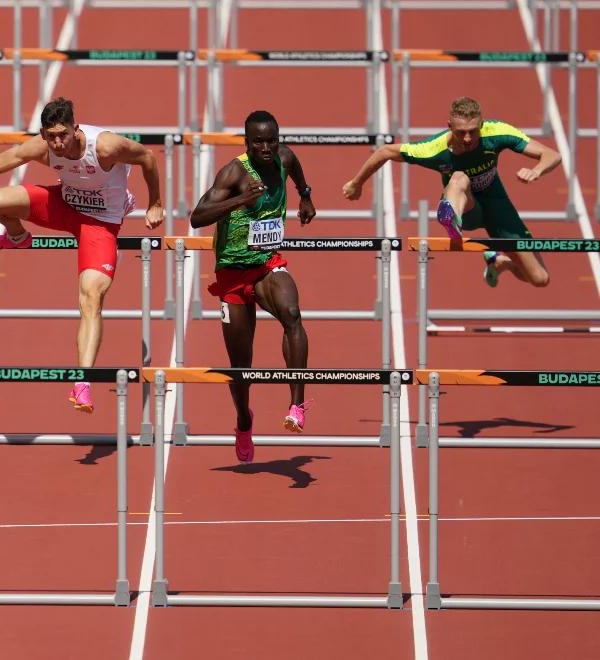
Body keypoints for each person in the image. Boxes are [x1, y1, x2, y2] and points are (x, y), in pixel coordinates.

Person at [0, 97, 164, 414]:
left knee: (90, 296)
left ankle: (82, 384)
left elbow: (147, 158)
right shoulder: (43, 147)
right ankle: (17, 237)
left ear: (75, 129)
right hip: (63, 207)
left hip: (101, 223)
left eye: (62, 135)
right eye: (50, 136)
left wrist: (155, 204)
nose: (57, 143)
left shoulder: (105, 146)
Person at [189, 110, 316, 464]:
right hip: (231, 274)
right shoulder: (233, 173)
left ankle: (297, 404)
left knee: (292, 312)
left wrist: (305, 196)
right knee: (241, 366)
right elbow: (197, 216)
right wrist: (241, 201)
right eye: (258, 141)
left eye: (271, 140)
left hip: (266, 265)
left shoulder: (285, 156)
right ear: (246, 142)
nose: (265, 147)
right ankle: (244, 421)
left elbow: (296, 171)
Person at [343, 96, 561, 288]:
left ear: (482, 125)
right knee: (459, 178)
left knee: (540, 279)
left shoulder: (497, 132)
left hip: (497, 205)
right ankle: (451, 218)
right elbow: (385, 151)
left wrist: (537, 170)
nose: (467, 138)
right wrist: (356, 182)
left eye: (473, 132)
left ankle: (499, 262)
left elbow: (551, 154)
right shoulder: (433, 148)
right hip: (466, 208)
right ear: (449, 127)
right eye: (460, 133)